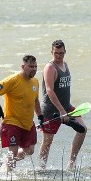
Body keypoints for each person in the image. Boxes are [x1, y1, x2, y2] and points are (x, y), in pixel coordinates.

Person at [0, 54, 44, 171]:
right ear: (23, 66)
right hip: (12, 122)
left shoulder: (35, 82)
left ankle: (5, 162)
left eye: (35, 66)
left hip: (28, 123)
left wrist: (40, 116)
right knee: (13, 152)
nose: (34, 69)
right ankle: (9, 177)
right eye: (31, 66)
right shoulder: (13, 80)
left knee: (29, 150)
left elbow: (35, 100)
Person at [38, 39, 87, 170]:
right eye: (56, 53)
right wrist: (61, 111)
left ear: (65, 51)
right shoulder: (50, 67)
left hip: (66, 107)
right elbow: (49, 90)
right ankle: (41, 168)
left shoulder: (65, 64)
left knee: (82, 129)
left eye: (61, 53)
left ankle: (71, 164)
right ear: (51, 52)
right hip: (51, 110)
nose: (59, 56)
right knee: (48, 141)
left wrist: (65, 109)